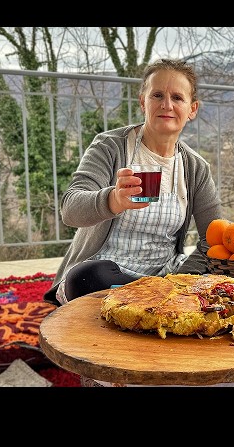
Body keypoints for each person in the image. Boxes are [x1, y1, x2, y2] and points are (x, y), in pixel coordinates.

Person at [43, 58, 222, 306]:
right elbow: (70, 209)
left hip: (165, 277)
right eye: (157, 95)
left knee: (223, 280)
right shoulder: (110, 146)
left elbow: (214, 238)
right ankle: (158, 304)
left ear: (192, 109)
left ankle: (148, 302)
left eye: (178, 98)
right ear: (143, 102)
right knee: (86, 278)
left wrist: (184, 277)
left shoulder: (195, 168)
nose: (166, 105)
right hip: (108, 273)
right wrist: (113, 200)